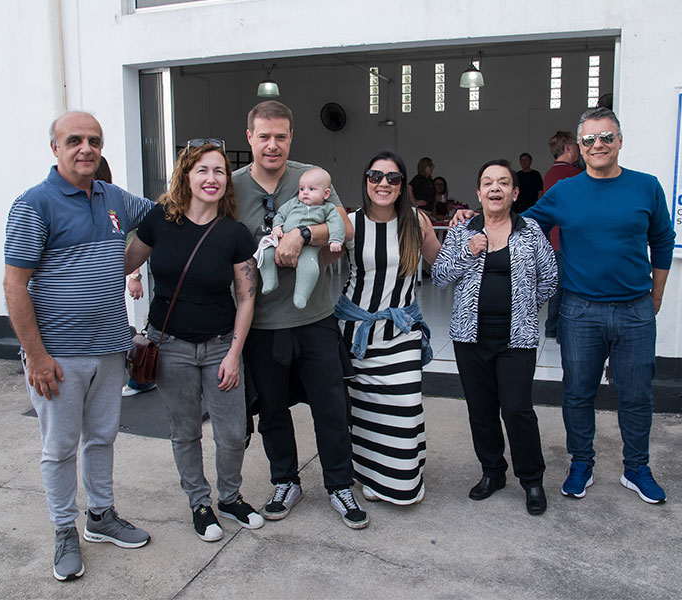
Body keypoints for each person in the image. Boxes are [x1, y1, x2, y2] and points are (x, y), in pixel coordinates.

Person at [3, 111, 151, 581]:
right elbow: (14, 286)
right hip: (58, 356)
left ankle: (101, 516)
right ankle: (64, 529)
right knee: (60, 446)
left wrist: (207, 180)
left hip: (109, 346)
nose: (86, 148)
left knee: (102, 437)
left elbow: (161, 218)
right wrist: (37, 356)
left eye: (94, 140)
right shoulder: (35, 204)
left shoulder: (113, 197)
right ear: (55, 148)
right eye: (74, 140)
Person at [524, 108, 676, 504]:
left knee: (637, 395)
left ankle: (636, 468)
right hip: (579, 311)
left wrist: (657, 295)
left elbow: (663, 240)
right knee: (577, 393)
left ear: (620, 141)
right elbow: (524, 226)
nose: (598, 145)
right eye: (589, 139)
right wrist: (479, 219)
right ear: (579, 147)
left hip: (634, 310)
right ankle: (581, 463)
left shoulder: (646, 187)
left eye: (606, 137)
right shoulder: (565, 191)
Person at [233, 101, 369, 529]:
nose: (272, 145)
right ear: (250, 137)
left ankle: (339, 485)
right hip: (262, 323)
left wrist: (303, 233)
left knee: (331, 407)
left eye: (281, 136)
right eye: (264, 136)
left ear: (291, 137)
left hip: (315, 318)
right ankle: (285, 481)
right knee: (272, 411)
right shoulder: (232, 187)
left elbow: (346, 229)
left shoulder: (311, 177)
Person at [124, 139, 262, 542]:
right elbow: (126, 261)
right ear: (186, 176)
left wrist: (234, 353)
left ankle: (230, 497)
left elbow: (247, 297)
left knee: (232, 433)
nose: (211, 178)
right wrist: (131, 277)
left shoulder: (234, 233)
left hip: (220, 346)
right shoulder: (159, 221)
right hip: (169, 347)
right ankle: (200, 503)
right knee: (185, 431)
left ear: (227, 181)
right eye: (202, 170)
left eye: (219, 171)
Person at [432, 159, 556, 515]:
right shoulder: (462, 231)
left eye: (503, 182)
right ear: (479, 192)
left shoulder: (530, 230)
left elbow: (549, 278)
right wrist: (467, 252)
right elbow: (439, 276)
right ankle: (492, 472)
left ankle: (532, 480)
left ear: (515, 193)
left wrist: (524, 307)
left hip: (516, 339)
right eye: (488, 183)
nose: (495, 188)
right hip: (470, 338)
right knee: (481, 410)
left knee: (517, 409)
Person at [333, 150, 441, 505]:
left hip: (402, 330)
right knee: (364, 412)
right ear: (366, 180)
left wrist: (466, 234)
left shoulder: (416, 221)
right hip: (357, 334)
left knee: (405, 408)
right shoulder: (349, 223)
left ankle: (401, 478)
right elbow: (318, 261)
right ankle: (371, 476)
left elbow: (442, 265)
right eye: (376, 176)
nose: (384, 183)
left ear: (402, 184)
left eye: (393, 178)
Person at [93, 156, 157, 397]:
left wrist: (134, 275)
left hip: (109, 327)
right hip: (69, 338)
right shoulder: (42, 203)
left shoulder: (116, 203)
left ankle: (139, 379)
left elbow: (154, 217)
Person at [256, 167, 345, 309]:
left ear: (326, 194)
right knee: (265, 252)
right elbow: (280, 215)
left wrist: (336, 239)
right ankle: (270, 279)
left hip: (309, 246)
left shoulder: (328, 209)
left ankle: (301, 295)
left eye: (311, 189)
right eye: (302, 189)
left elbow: (337, 223)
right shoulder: (294, 203)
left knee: (310, 268)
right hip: (282, 239)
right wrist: (277, 227)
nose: (305, 193)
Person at [542, 131, 583, 339]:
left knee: (557, 285)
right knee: (567, 287)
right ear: (567, 148)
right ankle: (559, 329)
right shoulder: (576, 174)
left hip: (556, 237)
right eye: (577, 146)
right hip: (572, 240)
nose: (580, 150)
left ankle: (552, 327)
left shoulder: (550, 174)